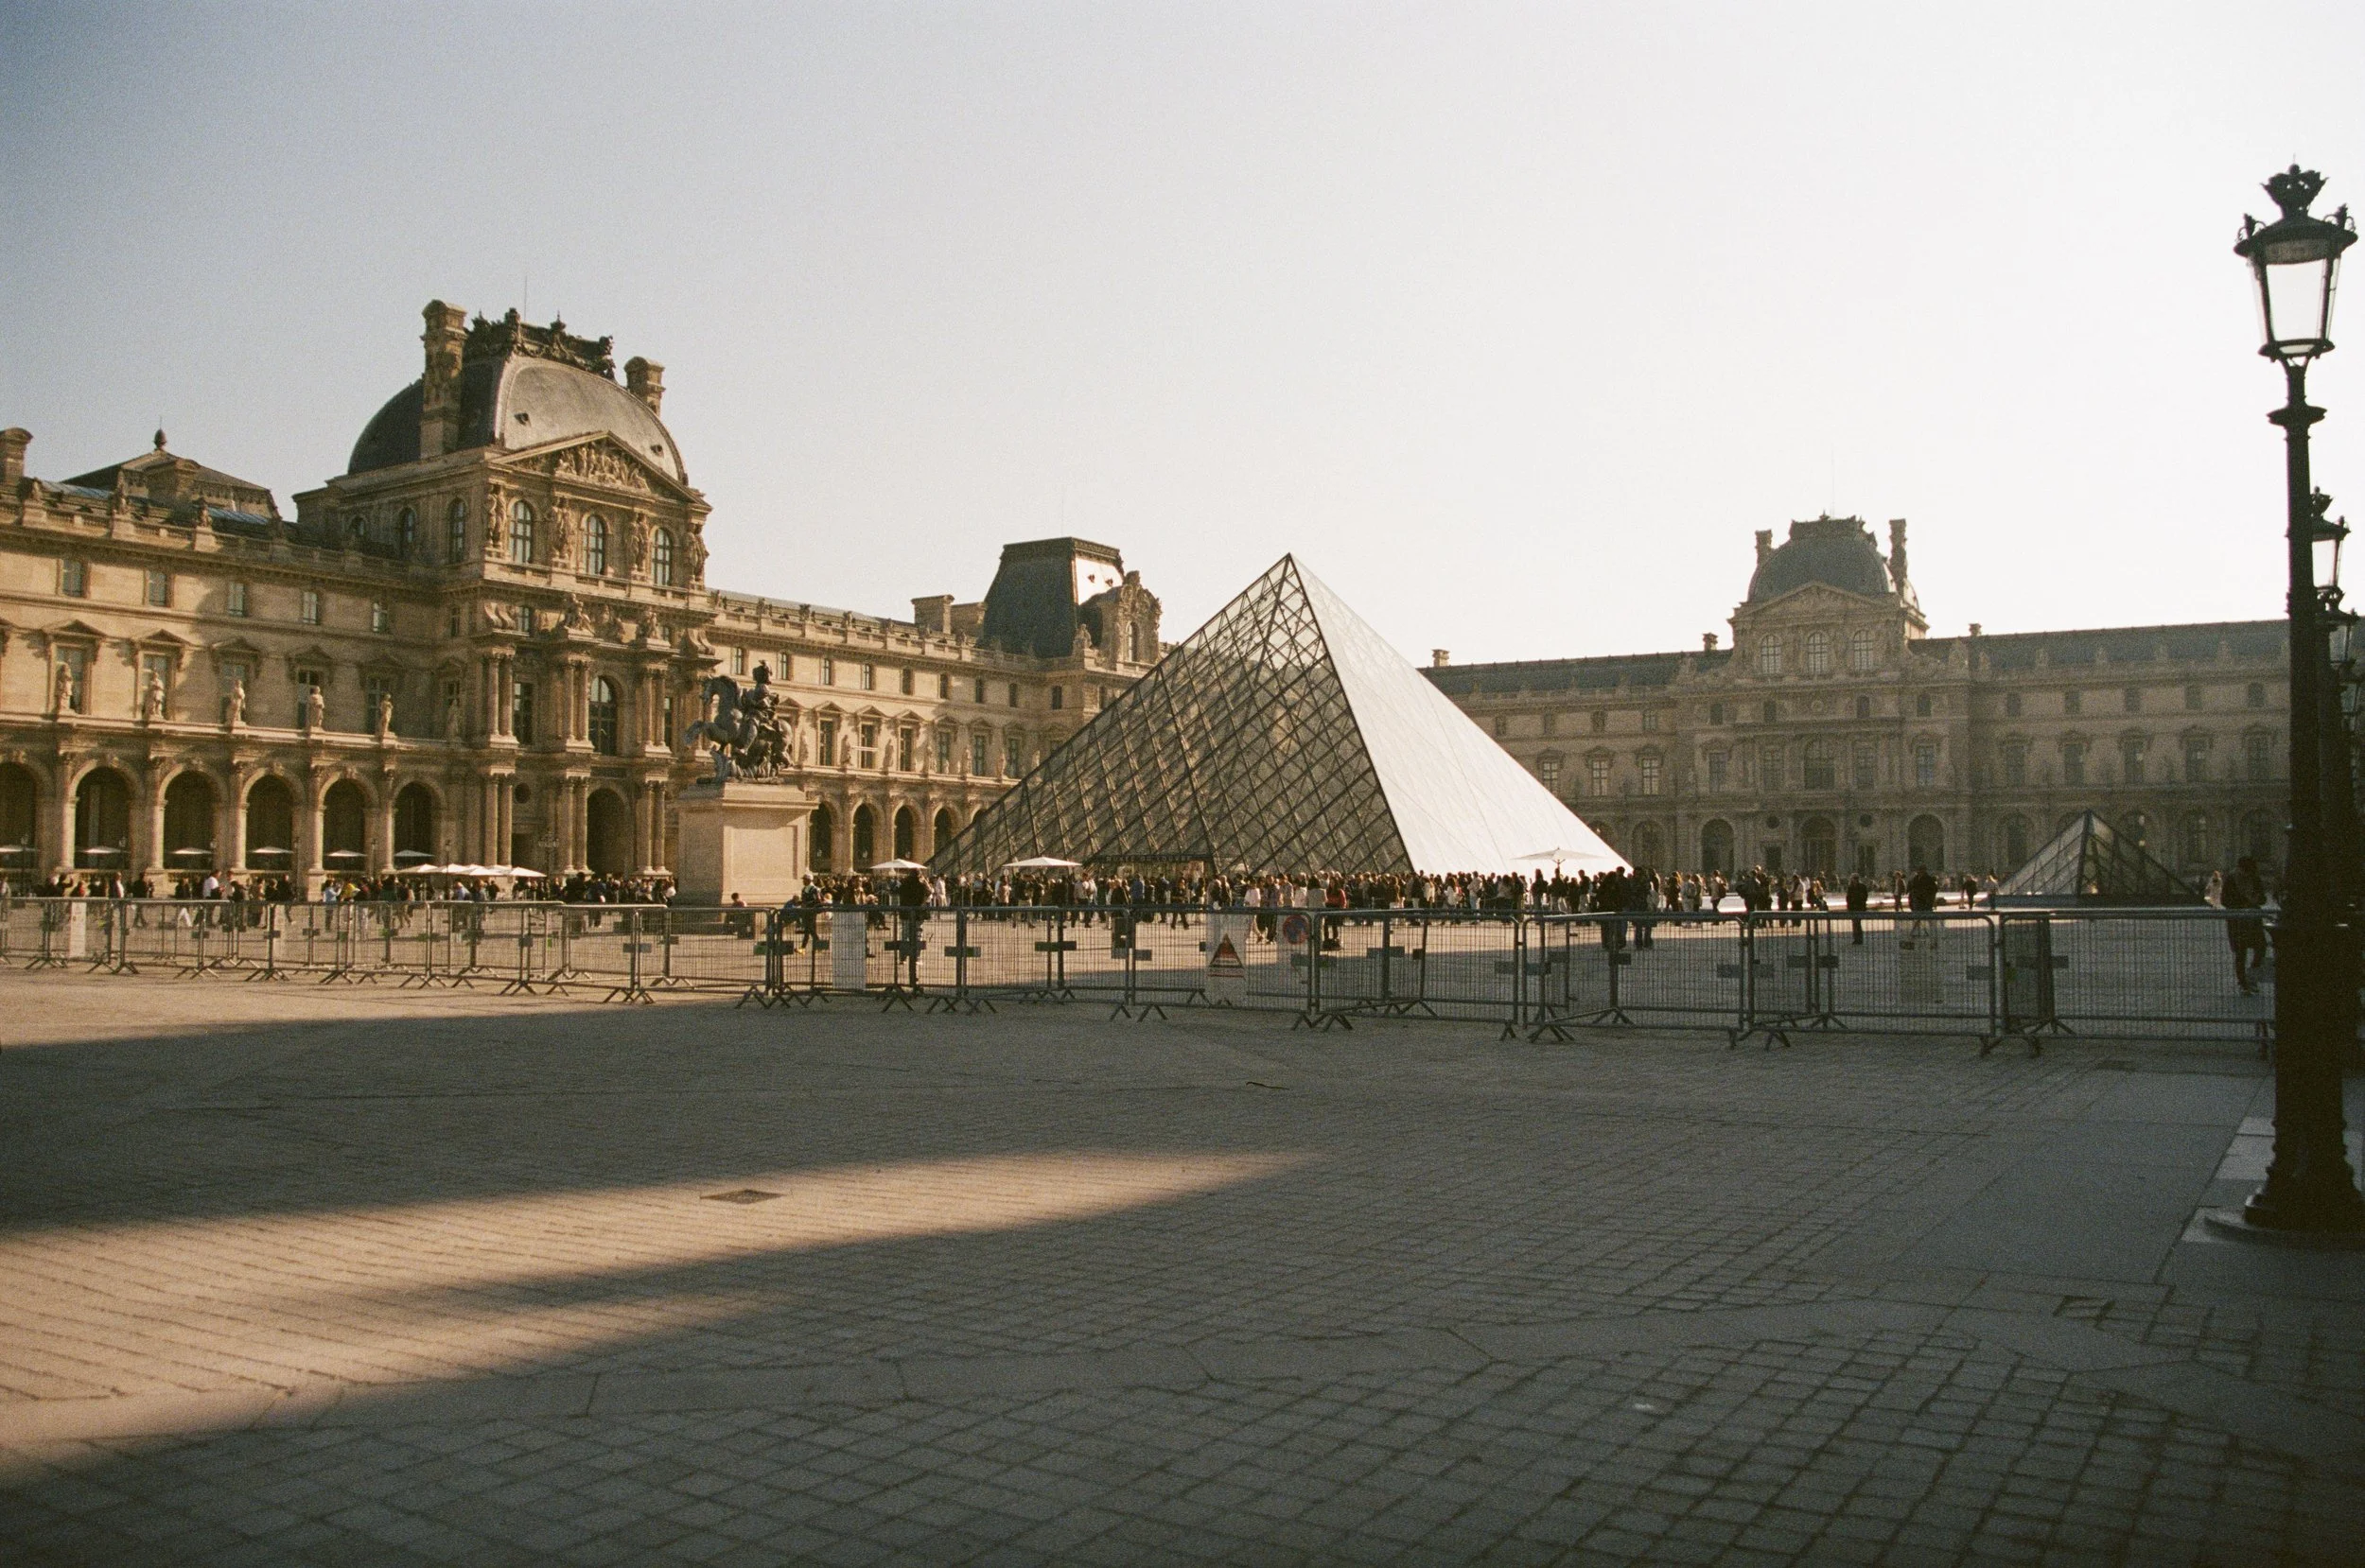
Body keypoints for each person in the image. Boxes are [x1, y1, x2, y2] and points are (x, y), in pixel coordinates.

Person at [2223, 856, 2269, 995]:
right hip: (2238, 920)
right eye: (2246, 872)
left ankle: (2251, 977)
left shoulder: (2254, 877)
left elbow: (2263, 898)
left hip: (2253, 919)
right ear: (2240, 869)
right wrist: (2243, 902)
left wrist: (2257, 899)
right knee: (2241, 952)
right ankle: (2244, 983)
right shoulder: (2231, 879)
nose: (2248, 875)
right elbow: (2225, 899)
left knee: (2261, 948)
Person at [1844, 872, 1868, 945]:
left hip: (1859, 907)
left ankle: (1858, 939)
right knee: (1855, 923)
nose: (1855, 880)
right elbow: (1848, 898)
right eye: (1854, 878)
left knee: (1857, 923)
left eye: (1856, 878)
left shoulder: (1861, 886)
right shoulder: (1851, 887)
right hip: (1853, 908)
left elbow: (1865, 896)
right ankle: (1857, 939)